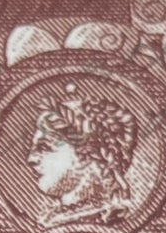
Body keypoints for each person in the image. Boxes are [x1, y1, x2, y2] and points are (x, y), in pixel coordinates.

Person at [26, 83, 137, 224]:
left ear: (86, 155)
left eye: (44, 147)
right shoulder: (53, 219)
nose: (31, 159)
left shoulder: (98, 218)